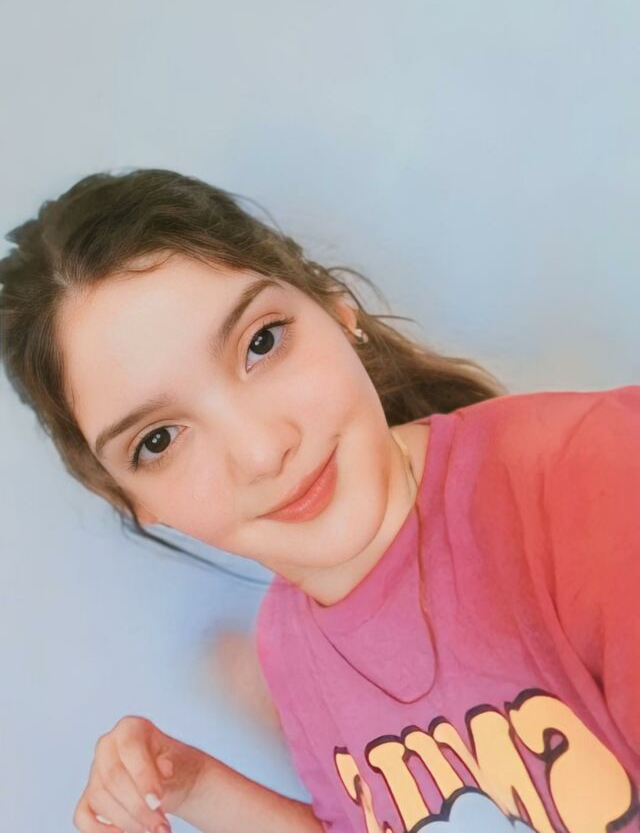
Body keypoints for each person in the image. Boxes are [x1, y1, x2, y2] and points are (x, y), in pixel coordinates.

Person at [1, 169, 637, 833]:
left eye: (262, 342)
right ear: (130, 499)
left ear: (334, 306)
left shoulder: (586, 471)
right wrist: (193, 785)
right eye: (158, 440)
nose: (261, 450)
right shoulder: (287, 644)